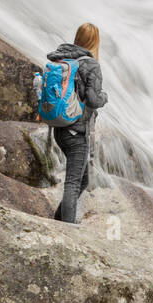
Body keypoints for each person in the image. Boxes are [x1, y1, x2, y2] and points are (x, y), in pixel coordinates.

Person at [46, 23, 107, 224]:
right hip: (77, 132)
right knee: (73, 183)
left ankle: (58, 220)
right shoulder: (91, 64)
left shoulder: (62, 58)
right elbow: (92, 99)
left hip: (60, 128)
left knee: (84, 180)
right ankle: (67, 230)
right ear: (94, 42)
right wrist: (103, 97)